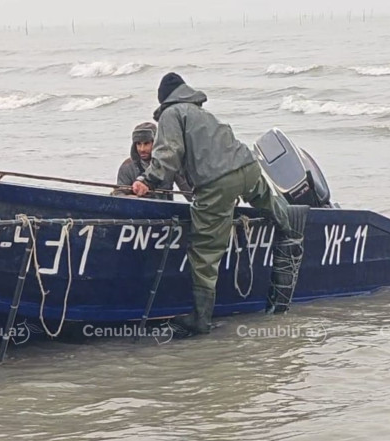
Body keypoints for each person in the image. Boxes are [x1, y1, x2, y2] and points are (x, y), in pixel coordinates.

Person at [131, 73, 309, 334]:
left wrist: (149, 179)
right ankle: (291, 227)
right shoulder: (200, 113)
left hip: (217, 183)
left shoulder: (171, 114)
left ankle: (201, 320)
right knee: (272, 206)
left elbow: (168, 153)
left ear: (163, 98)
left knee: (204, 250)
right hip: (248, 167)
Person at [111, 122, 193, 201]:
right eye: (138, 144)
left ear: (156, 144)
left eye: (146, 143)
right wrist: (132, 198)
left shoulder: (169, 163)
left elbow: (188, 191)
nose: (142, 149)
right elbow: (118, 194)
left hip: (166, 210)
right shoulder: (127, 166)